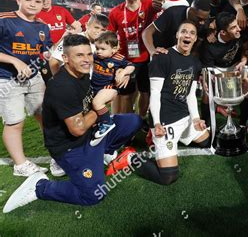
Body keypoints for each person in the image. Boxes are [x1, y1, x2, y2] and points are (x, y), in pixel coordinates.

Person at [3, 34, 144, 213]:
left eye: (88, 54)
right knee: (93, 195)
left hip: (90, 132)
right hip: (71, 146)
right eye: (79, 55)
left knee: (134, 121)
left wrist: (121, 73)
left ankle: (104, 152)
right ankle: (39, 187)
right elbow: (77, 129)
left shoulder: (83, 73)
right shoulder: (63, 86)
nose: (86, 60)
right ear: (66, 58)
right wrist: (100, 106)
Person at [133, 21, 211, 186]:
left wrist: (196, 118)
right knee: (168, 177)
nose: (187, 35)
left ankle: (180, 136)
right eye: (183, 31)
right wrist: (156, 123)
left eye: (191, 33)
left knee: (207, 141)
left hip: (184, 117)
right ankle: (130, 159)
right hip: (166, 121)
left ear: (195, 38)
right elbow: (154, 93)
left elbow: (190, 94)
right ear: (177, 35)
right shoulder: (162, 58)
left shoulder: (195, 63)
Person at [0, 0, 52, 177]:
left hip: (34, 78)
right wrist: (14, 60)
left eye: (37, 1)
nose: (32, 4)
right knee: (15, 122)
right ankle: (20, 165)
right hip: (6, 80)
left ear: (43, 4)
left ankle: (56, 155)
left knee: (46, 117)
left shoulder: (42, 27)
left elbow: (45, 52)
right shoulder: (4, 20)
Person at [108, 0, 158, 115]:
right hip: (126, 59)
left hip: (147, 57)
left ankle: (140, 120)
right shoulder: (115, 12)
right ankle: (126, 124)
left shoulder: (149, 4)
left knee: (145, 93)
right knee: (125, 96)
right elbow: (110, 37)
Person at [90, 31, 135, 143]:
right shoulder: (95, 55)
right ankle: (101, 126)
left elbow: (131, 66)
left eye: (103, 49)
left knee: (97, 103)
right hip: (94, 87)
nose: (99, 51)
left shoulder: (118, 58)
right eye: (97, 48)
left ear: (114, 50)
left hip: (108, 87)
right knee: (92, 108)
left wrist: (124, 72)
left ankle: (107, 122)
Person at [142, 0, 211, 54]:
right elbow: (147, 32)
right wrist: (153, 52)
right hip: (161, 50)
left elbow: (199, 41)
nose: (202, 22)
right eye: (199, 18)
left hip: (179, 55)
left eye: (205, 19)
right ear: (191, 10)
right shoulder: (173, 13)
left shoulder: (203, 22)